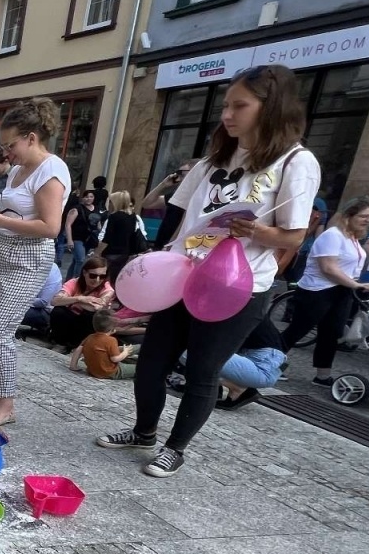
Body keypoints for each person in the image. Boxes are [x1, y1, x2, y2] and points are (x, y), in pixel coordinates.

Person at [98, 64, 318, 477]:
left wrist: (256, 230)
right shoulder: (211, 160)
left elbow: (293, 236)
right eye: (226, 105)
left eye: (240, 106)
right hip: (183, 275)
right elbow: (176, 220)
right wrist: (154, 261)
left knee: (202, 368)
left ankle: (175, 447)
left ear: (270, 108)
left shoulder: (296, 162)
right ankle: (143, 431)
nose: (228, 115)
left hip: (237, 284)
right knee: (152, 362)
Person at [0, 98, 70, 426]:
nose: (6, 152)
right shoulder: (16, 170)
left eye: (10, 144)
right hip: (2, 252)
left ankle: (7, 405)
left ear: (31, 137)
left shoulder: (51, 170)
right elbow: (11, 213)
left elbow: (50, 227)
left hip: (28, 259)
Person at [282, 199, 369, 385]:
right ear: (349, 216)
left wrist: (357, 284)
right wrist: (355, 284)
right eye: (363, 216)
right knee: (298, 330)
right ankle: (267, 363)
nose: (368, 220)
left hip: (342, 291)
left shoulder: (353, 239)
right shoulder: (333, 236)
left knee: (331, 333)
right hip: (318, 290)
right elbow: (328, 268)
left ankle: (323, 375)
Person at [46, 255, 116, 351]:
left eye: (102, 276)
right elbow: (55, 301)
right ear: (84, 273)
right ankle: (60, 343)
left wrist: (71, 300)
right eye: (93, 275)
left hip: (89, 326)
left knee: (90, 315)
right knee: (59, 311)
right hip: (70, 320)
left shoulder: (107, 289)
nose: (97, 280)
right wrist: (80, 299)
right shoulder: (74, 282)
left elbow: (97, 308)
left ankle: (78, 347)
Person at [215, 318, 288, 409]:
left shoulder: (231, 310)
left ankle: (238, 388)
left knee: (200, 354)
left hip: (262, 366)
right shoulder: (243, 307)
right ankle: (229, 389)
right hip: (263, 361)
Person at [98, 190, 147, 283]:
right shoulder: (133, 216)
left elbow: (107, 238)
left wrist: (97, 252)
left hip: (111, 251)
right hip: (125, 252)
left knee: (104, 277)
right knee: (116, 277)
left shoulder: (114, 216)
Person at [71, 310, 136, 379]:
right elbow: (115, 359)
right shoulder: (111, 340)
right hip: (110, 372)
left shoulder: (90, 337)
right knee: (139, 368)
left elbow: (78, 350)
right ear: (113, 329)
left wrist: (73, 366)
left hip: (92, 371)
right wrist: (125, 352)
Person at [59, 188, 100, 280]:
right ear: (83, 198)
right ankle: (76, 280)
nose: (88, 199)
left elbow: (97, 222)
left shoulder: (96, 208)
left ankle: (68, 281)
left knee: (76, 260)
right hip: (77, 238)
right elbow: (68, 224)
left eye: (91, 197)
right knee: (80, 260)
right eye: (86, 196)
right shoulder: (76, 209)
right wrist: (69, 240)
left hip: (89, 239)